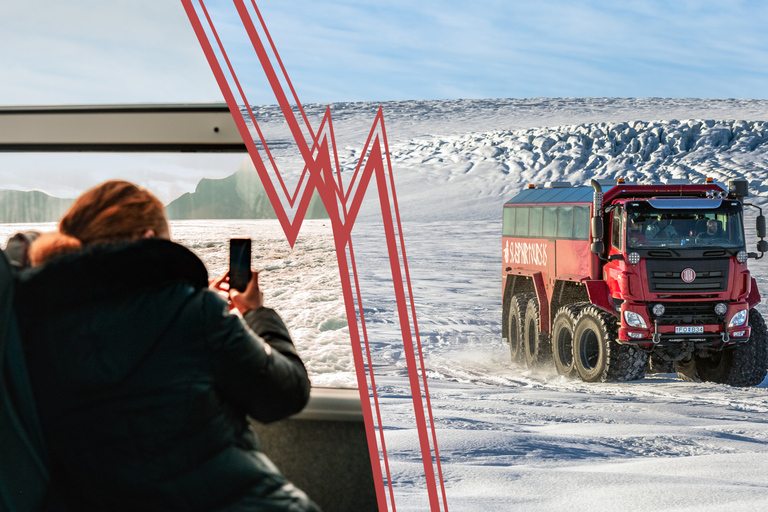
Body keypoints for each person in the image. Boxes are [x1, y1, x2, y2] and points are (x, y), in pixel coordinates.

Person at [14, 180, 320, 511]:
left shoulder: (31, 326)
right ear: (148, 240)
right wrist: (255, 313)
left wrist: (196, 310)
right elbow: (285, 394)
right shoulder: (195, 313)